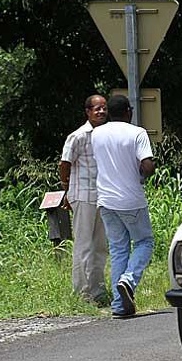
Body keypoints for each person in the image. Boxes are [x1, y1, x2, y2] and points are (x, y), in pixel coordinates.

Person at [92, 94, 156, 318]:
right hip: (131, 200)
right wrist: (143, 175)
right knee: (144, 242)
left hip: (106, 201)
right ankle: (128, 279)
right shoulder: (137, 133)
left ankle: (119, 306)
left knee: (119, 249)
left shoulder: (96, 134)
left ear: (108, 112)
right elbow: (147, 165)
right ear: (129, 112)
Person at [59, 94, 109, 306]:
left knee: (100, 245)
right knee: (83, 245)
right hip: (82, 195)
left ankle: (98, 291)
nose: (101, 112)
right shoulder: (78, 136)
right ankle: (81, 293)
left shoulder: (106, 134)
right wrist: (67, 191)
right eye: (97, 109)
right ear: (88, 112)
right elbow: (65, 164)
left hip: (102, 196)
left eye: (104, 108)